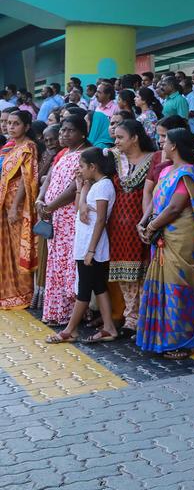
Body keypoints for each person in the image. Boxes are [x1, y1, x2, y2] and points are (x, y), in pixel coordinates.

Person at [136, 128, 194, 359]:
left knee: (179, 287)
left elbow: (174, 207)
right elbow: (155, 200)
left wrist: (151, 227)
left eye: (164, 140)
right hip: (162, 234)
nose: (161, 143)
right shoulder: (166, 171)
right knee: (161, 285)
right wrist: (143, 221)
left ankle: (184, 341)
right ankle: (162, 337)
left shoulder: (187, 173)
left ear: (174, 146)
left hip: (180, 237)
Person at [44, 147, 119, 344]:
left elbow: (101, 219)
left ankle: (70, 330)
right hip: (85, 244)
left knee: (84, 290)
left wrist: (91, 250)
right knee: (98, 287)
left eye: (82, 167)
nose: (79, 169)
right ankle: (109, 327)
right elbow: (79, 208)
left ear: (93, 167)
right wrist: (81, 184)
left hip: (91, 246)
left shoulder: (104, 186)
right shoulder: (94, 185)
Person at [106, 120, 160, 337]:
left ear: (135, 137)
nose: (116, 141)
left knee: (144, 270)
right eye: (115, 137)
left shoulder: (154, 158)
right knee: (124, 273)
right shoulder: (113, 158)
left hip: (142, 222)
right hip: (118, 224)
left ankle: (143, 317)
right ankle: (130, 318)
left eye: (120, 137)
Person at [39, 116, 89, 325]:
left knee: (69, 264)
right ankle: (56, 311)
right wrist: (40, 198)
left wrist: (50, 206)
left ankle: (71, 312)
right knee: (56, 262)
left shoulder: (85, 154)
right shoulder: (63, 153)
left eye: (70, 131)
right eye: (62, 131)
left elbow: (72, 189)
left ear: (83, 134)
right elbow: (49, 178)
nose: (64, 135)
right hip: (55, 217)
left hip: (69, 217)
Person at [0, 111, 39, 310]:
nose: (10, 127)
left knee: (19, 248)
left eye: (16, 124)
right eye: (8, 123)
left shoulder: (28, 147)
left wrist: (15, 206)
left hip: (18, 206)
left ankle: (24, 291)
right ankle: (10, 291)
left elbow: (26, 179)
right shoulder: (12, 148)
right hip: (5, 204)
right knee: (8, 247)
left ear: (26, 126)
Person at [31, 124, 61, 309]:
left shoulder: (58, 156)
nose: (49, 143)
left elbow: (44, 178)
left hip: (57, 211)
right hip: (43, 209)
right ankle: (41, 296)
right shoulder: (47, 156)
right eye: (46, 139)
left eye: (52, 139)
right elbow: (37, 179)